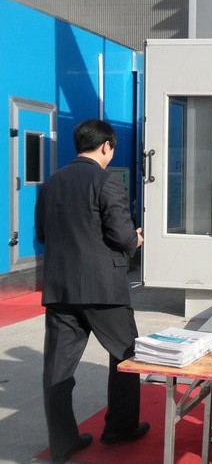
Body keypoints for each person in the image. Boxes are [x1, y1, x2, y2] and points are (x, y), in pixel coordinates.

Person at [35, 119, 149, 464]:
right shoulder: (106, 181)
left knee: (58, 370)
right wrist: (135, 240)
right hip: (103, 290)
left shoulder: (51, 183)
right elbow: (121, 235)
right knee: (126, 356)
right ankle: (119, 428)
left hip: (61, 289)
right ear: (106, 146)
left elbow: (42, 234)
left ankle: (63, 442)